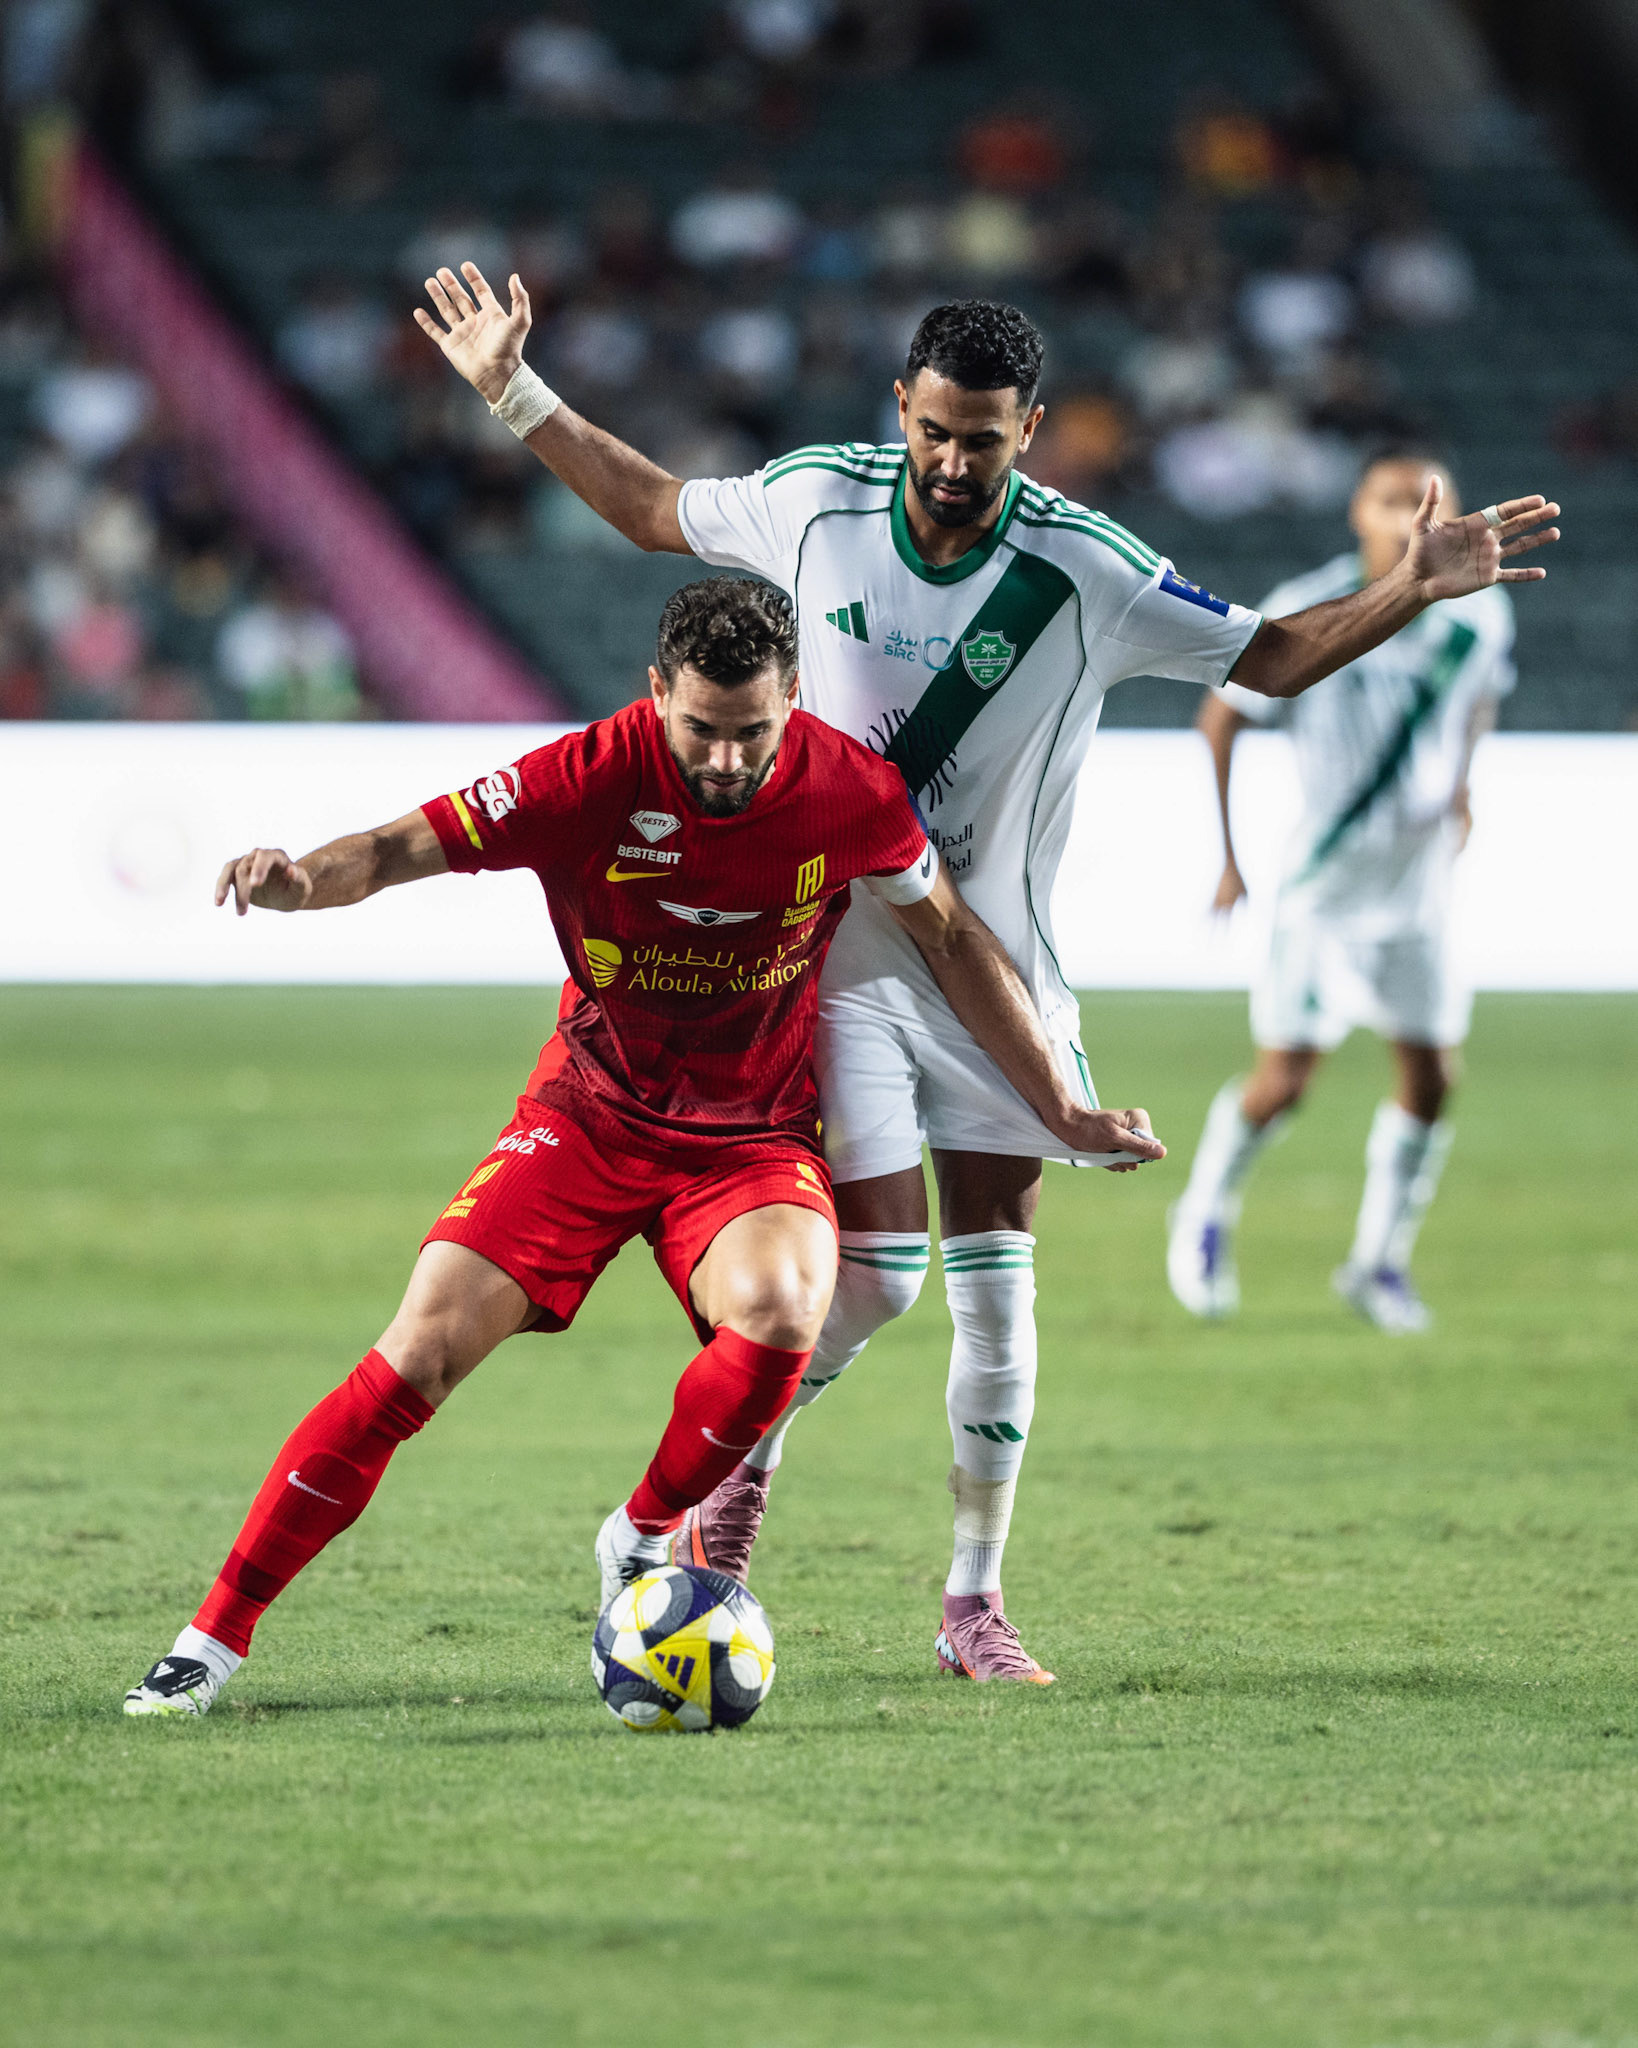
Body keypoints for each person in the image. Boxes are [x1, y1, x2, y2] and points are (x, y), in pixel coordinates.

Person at [413, 262, 1559, 1682]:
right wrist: (513, 392)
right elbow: (651, 506)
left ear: (1033, 428)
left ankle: (972, 1604)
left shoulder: (1087, 568)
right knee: (882, 1277)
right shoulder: (814, 501)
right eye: (935, 431)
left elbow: (1264, 661)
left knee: (1000, 1301)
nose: (955, 463)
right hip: (834, 959)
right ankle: (717, 1491)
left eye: (986, 439)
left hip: (994, 969)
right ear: (900, 405)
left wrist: (1407, 590)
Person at [123, 579, 1151, 1717]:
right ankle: (210, 1639)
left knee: (785, 1310)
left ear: (793, 697)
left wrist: (1062, 1108)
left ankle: (646, 1531)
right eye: (701, 728)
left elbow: (951, 936)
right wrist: (300, 882)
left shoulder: (851, 792)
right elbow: (399, 845)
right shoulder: (586, 775)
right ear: (657, 691)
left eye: (751, 730)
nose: (726, 758)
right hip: (587, 1114)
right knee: (417, 1354)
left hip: (750, 1136)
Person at [1167, 448, 1516, 1334]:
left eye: (1431, 498)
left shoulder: (1482, 613)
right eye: (1393, 498)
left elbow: (1479, 702)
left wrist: (1464, 786)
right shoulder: (1313, 601)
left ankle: (1377, 1263)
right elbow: (1221, 716)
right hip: (1323, 888)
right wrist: (1229, 856)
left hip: (1419, 887)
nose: (1412, 514)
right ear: (1358, 511)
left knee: (1432, 1078)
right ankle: (1202, 1213)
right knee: (1285, 1082)